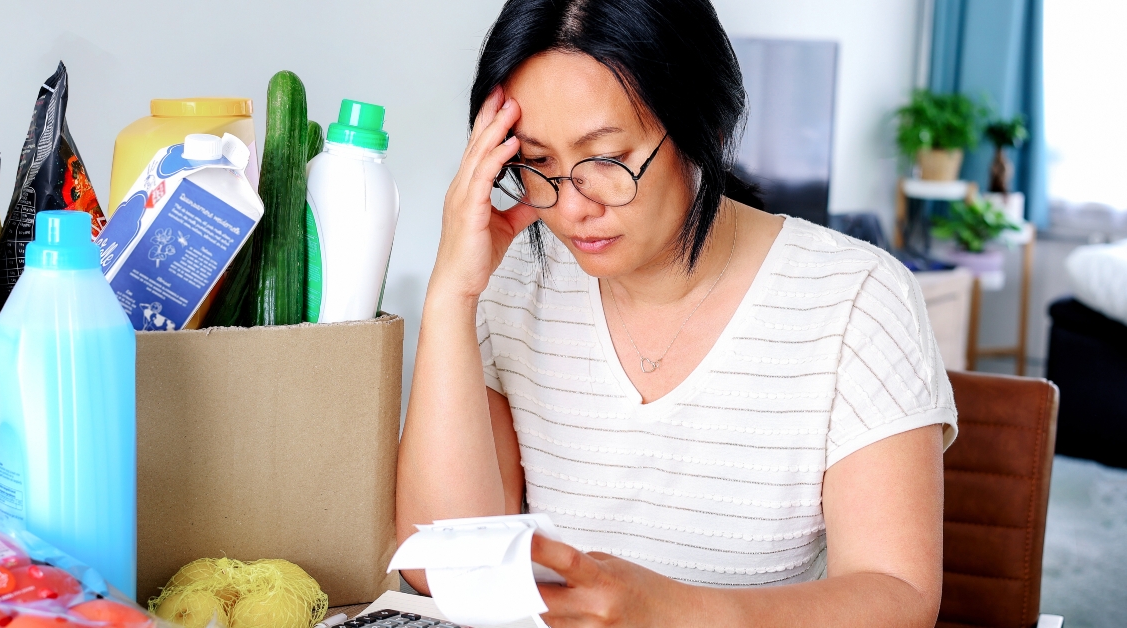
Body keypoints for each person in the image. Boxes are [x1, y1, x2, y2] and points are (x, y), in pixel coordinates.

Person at [397, 0, 958, 625]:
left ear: (706, 128)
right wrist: (451, 293)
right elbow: (438, 567)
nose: (572, 207)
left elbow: (898, 595)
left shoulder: (855, 298)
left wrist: (675, 613)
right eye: (536, 164)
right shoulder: (512, 287)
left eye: (607, 159)